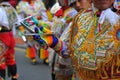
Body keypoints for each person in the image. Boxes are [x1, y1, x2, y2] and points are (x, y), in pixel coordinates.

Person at [16, 0, 48, 64]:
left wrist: (45, 23)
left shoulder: (40, 2)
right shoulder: (22, 4)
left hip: (39, 24)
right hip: (28, 25)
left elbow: (44, 15)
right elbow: (20, 17)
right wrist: (21, 25)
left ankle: (45, 57)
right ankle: (32, 57)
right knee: (30, 42)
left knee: (43, 40)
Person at [0, 0, 18, 80]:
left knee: (1, 60)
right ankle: (14, 77)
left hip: (2, 36)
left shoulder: (0, 9)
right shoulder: (11, 9)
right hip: (11, 35)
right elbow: (15, 23)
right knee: (11, 59)